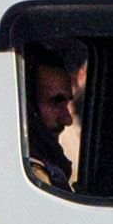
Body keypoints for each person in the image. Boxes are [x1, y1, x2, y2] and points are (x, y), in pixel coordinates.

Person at [21, 39, 88, 193]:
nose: (67, 119)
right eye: (56, 102)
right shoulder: (33, 180)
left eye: (66, 103)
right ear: (27, 106)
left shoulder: (49, 172)